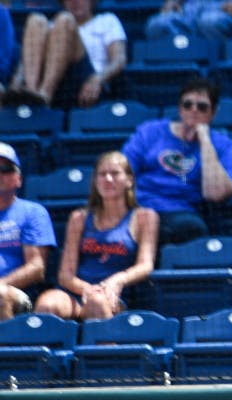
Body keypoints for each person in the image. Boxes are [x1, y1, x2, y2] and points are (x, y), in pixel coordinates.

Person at [33, 152, 158, 321]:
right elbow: (65, 275)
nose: (107, 179)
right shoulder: (79, 218)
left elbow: (145, 265)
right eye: (102, 174)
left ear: (129, 180)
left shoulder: (145, 217)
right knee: (47, 304)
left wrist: (117, 280)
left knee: (97, 303)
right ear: (95, 181)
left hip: (115, 295)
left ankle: (108, 346)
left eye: (114, 173)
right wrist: (88, 289)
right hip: (78, 292)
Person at [122, 77, 232, 246]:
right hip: (140, 208)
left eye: (202, 107)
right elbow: (122, 172)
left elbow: (215, 193)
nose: (193, 110)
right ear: (179, 108)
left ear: (213, 112)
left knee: (189, 227)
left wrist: (205, 139)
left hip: (180, 215)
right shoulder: (150, 132)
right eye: (187, 105)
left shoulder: (223, 145)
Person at [3, 0, 127, 109]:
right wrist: (16, 82)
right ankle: (32, 93)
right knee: (36, 20)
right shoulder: (51, 26)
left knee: (65, 20)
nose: (74, 1)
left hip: (87, 81)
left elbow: (119, 60)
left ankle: (45, 94)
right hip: (56, 82)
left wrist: (97, 79)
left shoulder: (107, 20)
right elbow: (26, 61)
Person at [0, 143, 57, 321]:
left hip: (16, 293)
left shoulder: (32, 212)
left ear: (19, 179)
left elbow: (36, 268)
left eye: (6, 169)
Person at [144, 0, 232, 41]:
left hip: (226, 12)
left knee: (208, 22)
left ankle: (217, 70)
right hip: (190, 13)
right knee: (157, 24)